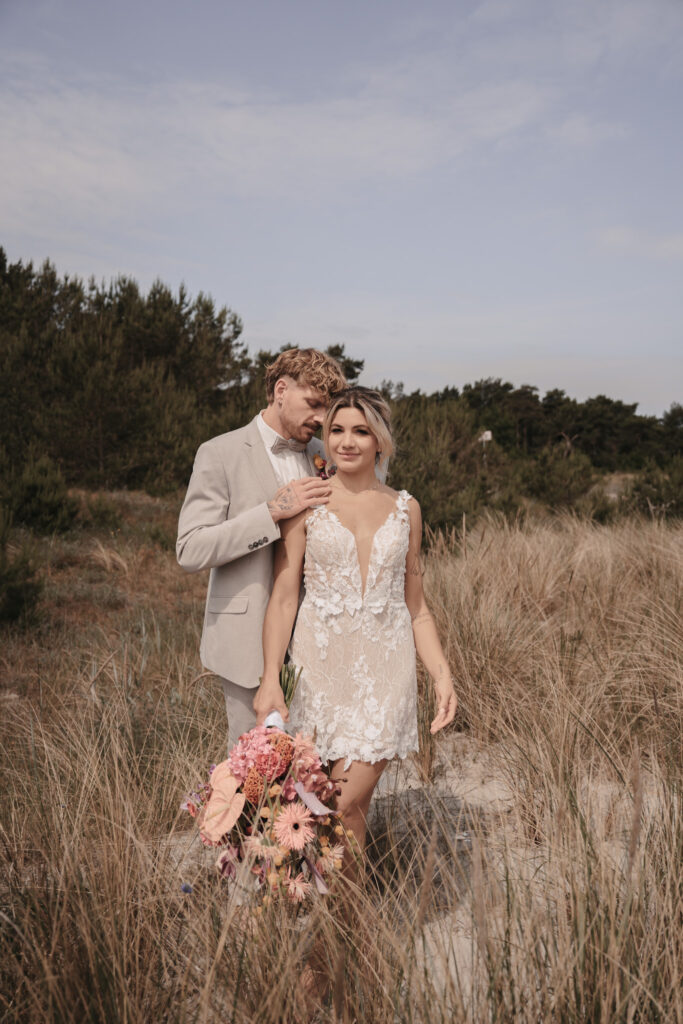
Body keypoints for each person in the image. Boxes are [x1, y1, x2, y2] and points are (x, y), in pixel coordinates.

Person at [255, 386, 457, 859]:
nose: (346, 442)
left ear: (380, 441)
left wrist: (443, 675)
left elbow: (417, 608)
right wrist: (270, 681)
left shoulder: (407, 509)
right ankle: (348, 929)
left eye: (361, 431)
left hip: (385, 680)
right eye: (336, 430)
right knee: (349, 819)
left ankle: (342, 927)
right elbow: (284, 600)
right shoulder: (307, 504)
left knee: (338, 807)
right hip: (318, 677)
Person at [176, 348, 347, 749]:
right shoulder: (220, 453)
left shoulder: (327, 454)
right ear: (281, 390)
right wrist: (270, 513)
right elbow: (190, 549)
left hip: (320, 642)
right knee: (257, 777)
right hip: (246, 644)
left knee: (314, 773)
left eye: (329, 408)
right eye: (314, 404)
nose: (323, 419)